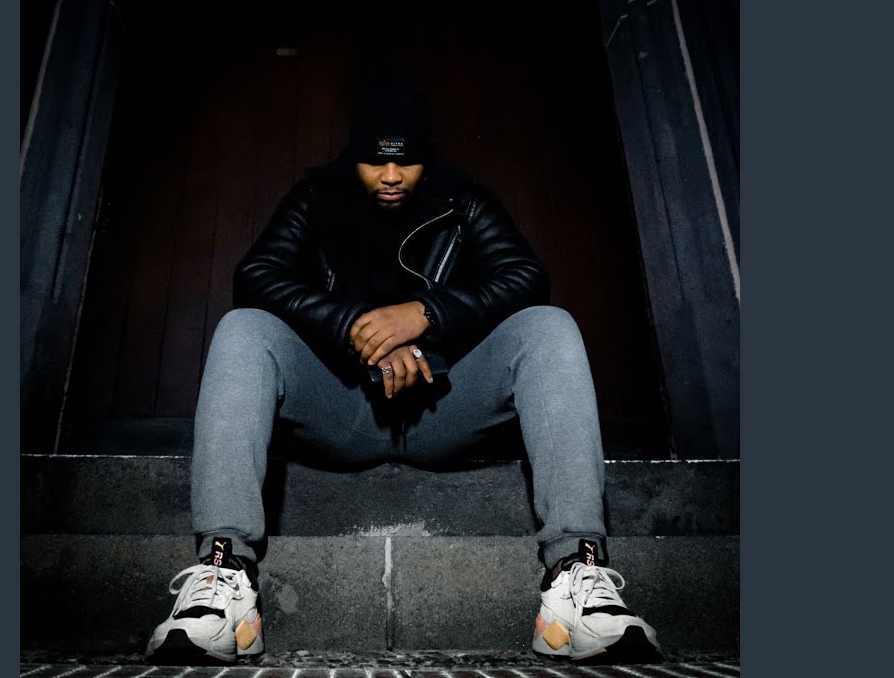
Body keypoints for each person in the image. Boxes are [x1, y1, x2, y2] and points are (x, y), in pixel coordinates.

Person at [144, 76, 660, 664]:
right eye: (375, 162)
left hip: (442, 406)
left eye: (406, 162)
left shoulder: (463, 200)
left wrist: (424, 315)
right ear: (353, 157)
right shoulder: (315, 198)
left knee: (550, 325)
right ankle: (224, 574)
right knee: (243, 328)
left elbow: (525, 277)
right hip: (341, 409)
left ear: (425, 159)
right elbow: (257, 276)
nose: (391, 177)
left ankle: (575, 575)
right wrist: (357, 329)